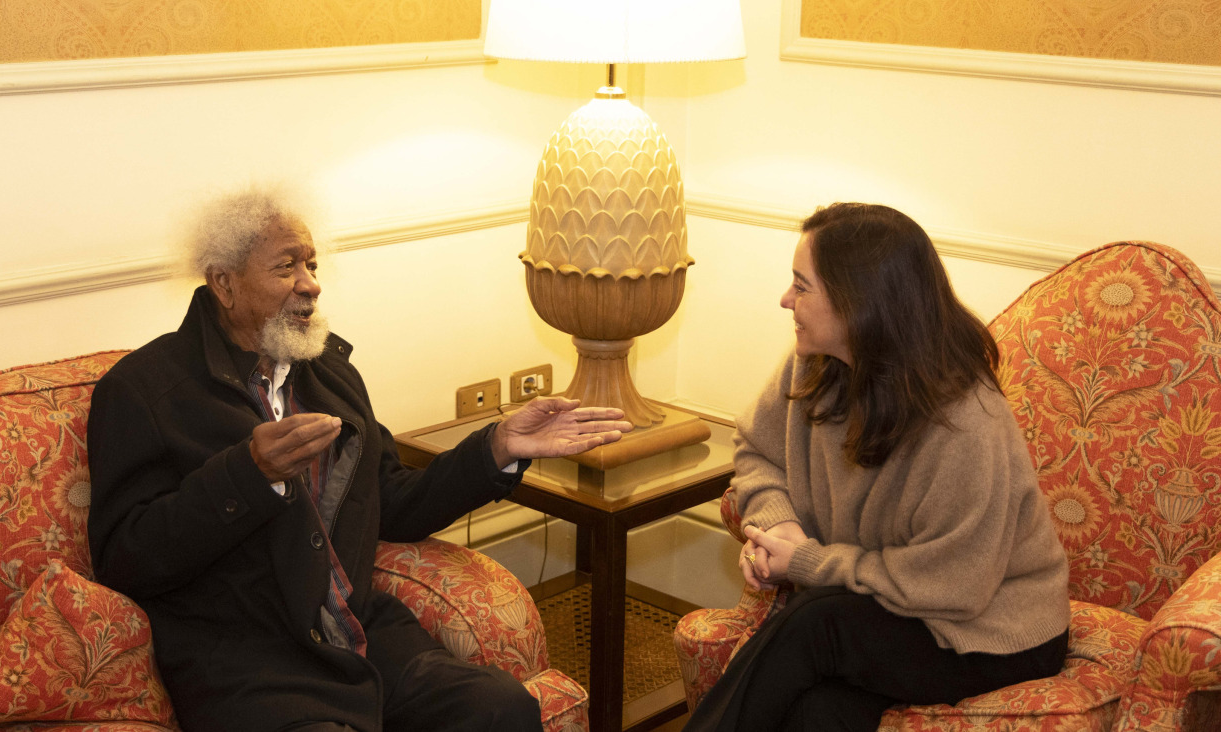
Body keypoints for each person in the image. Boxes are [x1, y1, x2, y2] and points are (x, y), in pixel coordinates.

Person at [85, 186, 632, 732]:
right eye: (286, 268)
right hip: (249, 660)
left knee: (499, 707)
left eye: (311, 263)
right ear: (224, 282)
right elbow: (127, 558)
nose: (311, 284)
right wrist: (247, 477)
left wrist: (497, 448)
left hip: (361, 634)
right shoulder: (143, 391)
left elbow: (392, 503)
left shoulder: (328, 374)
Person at [683, 203, 1071, 732]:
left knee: (815, 625)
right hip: (882, 605)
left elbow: (954, 585)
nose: (785, 300)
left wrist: (808, 563)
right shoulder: (814, 362)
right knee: (818, 712)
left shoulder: (965, 419)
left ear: (856, 301)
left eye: (802, 285)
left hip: (988, 631)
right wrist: (780, 525)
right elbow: (758, 449)